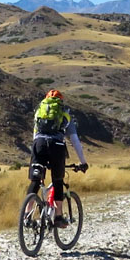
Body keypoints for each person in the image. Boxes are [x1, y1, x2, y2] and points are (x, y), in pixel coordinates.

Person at [28, 89, 89, 225]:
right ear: (61, 101)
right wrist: (83, 162)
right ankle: (59, 217)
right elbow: (75, 141)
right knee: (57, 181)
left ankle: (26, 214)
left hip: (38, 145)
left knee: (36, 180)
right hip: (56, 146)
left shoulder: (39, 113)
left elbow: (35, 136)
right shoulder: (65, 114)